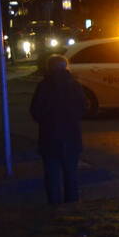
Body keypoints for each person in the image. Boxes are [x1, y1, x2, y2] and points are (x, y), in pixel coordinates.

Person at [30, 55, 87, 205]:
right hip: (71, 135)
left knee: (52, 175)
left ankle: (54, 206)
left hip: (49, 136)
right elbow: (83, 108)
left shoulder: (43, 86)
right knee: (71, 174)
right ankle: (72, 206)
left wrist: (46, 120)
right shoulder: (74, 85)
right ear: (65, 66)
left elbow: (35, 110)